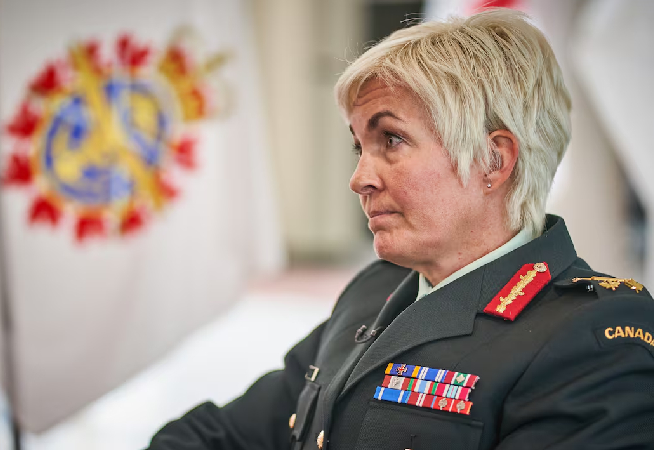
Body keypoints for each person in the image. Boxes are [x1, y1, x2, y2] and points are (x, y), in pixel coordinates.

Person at [146, 8, 654, 450]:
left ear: (493, 160)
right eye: (359, 147)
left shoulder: (595, 335)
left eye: (391, 140)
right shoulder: (377, 291)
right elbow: (226, 434)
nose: (359, 179)